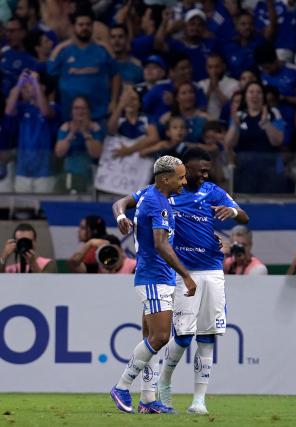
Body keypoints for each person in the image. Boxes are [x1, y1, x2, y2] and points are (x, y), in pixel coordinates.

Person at [113, 148, 248, 414]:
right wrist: (120, 216)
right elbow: (158, 238)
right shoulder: (159, 197)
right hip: (172, 272)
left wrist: (228, 216)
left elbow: (243, 215)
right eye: (191, 173)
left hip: (201, 271)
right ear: (177, 172)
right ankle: (137, 387)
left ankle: (163, 399)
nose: (195, 178)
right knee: (169, 336)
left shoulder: (207, 192)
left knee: (194, 336)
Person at [109, 155, 196, 415]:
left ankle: (148, 400)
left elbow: (120, 202)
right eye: (180, 177)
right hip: (154, 278)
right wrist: (186, 275)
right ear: (165, 178)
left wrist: (121, 216)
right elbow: (161, 244)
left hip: (157, 277)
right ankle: (122, 386)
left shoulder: (149, 192)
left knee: (151, 340)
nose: (184, 181)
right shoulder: (159, 205)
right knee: (160, 337)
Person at [47, 9, 120, 120]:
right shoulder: (63, 51)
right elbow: (50, 72)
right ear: (73, 27)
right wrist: (60, 46)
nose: (85, 28)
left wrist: (114, 101)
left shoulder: (103, 49)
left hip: (99, 114)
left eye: (88, 24)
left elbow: (115, 74)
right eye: (81, 25)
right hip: (70, 116)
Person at [4, 69, 58, 193]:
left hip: (45, 172)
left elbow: (45, 112)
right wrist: (18, 84)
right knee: (21, 211)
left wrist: (36, 84)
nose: (26, 87)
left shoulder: (54, 107)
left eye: (30, 84)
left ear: (42, 88)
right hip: (23, 171)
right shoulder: (23, 108)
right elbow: (8, 110)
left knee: (45, 211)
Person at [54, 96, 104, 192]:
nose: (79, 111)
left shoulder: (95, 128)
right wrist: (71, 134)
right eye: (76, 108)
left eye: (83, 108)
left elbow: (96, 153)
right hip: (69, 175)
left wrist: (85, 132)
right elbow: (59, 153)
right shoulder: (65, 127)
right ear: (71, 111)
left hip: (89, 178)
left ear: (88, 110)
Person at [68, 234, 136, 274]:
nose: (110, 255)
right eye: (106, 253)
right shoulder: (98, 268)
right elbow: (73, 263)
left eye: (112, 251)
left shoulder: (135, 267)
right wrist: (90, 243)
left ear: (121, 250)